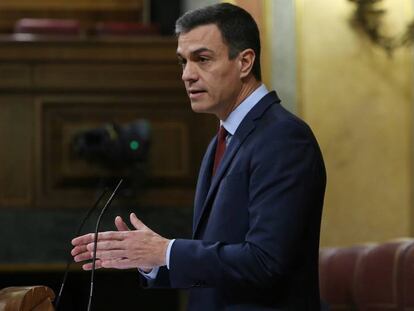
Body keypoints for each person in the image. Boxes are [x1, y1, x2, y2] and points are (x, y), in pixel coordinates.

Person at [71, 3, 326, 310]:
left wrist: (167, 251)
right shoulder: (223, 139)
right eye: (183, 62)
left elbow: (265, 262)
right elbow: (215, 267)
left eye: (202, 59)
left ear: (244, 62)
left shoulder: (283, 138)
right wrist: (150, 260)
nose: (187, 75)